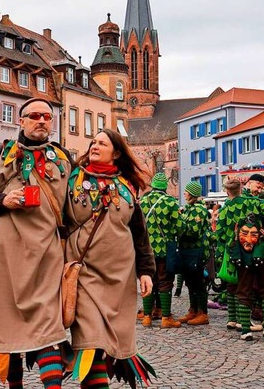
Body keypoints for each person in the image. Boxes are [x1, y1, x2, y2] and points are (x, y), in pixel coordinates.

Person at [0, 98, 73, 388]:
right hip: (2, 256)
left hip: (46, 255)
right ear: (21, 121)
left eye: (47, 116)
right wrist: (3, 200)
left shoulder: (63, 157)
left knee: (47, 328)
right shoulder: (3, 154)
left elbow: (74, 208)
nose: (42, 121)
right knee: (8, 328)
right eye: (34, 116)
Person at [65, 129, 155, 388]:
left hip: (119, 279)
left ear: (115, 153)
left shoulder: (127, 186)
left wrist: (145, 271)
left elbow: (140, 234)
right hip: (83, 274)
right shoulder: (73, 179)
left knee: (108, 346)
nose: (94, 145)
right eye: (92, 142)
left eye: (101, 143)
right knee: (90, 342)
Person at [216, 179, 264, 342]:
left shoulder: (225, 210)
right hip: (259, 250)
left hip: (239, 254)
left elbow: (220, 235)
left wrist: (232, 240)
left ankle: (245, 330)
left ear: (227, 191)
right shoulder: (255, 202)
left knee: (243, 289)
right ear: (241, 188)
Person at [138, 172, 182, 328]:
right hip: (164, 249)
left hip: (145, 249)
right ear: (165, 188)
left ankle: (147, 317)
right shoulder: (170, 203)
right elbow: (179, 227)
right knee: (164, 281)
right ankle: (166, 317)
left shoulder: (142, 202)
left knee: (148, 280)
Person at [177, 181, 211, 326]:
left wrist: (178, 223)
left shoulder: (198, 210)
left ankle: (203, 313)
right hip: (187, 250)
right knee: (190, 282)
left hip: (196, 251)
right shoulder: (189, 208)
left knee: (198, 282)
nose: (184, 193)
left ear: (192, 194)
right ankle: (193, 310)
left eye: (186, 191)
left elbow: (193, 231)